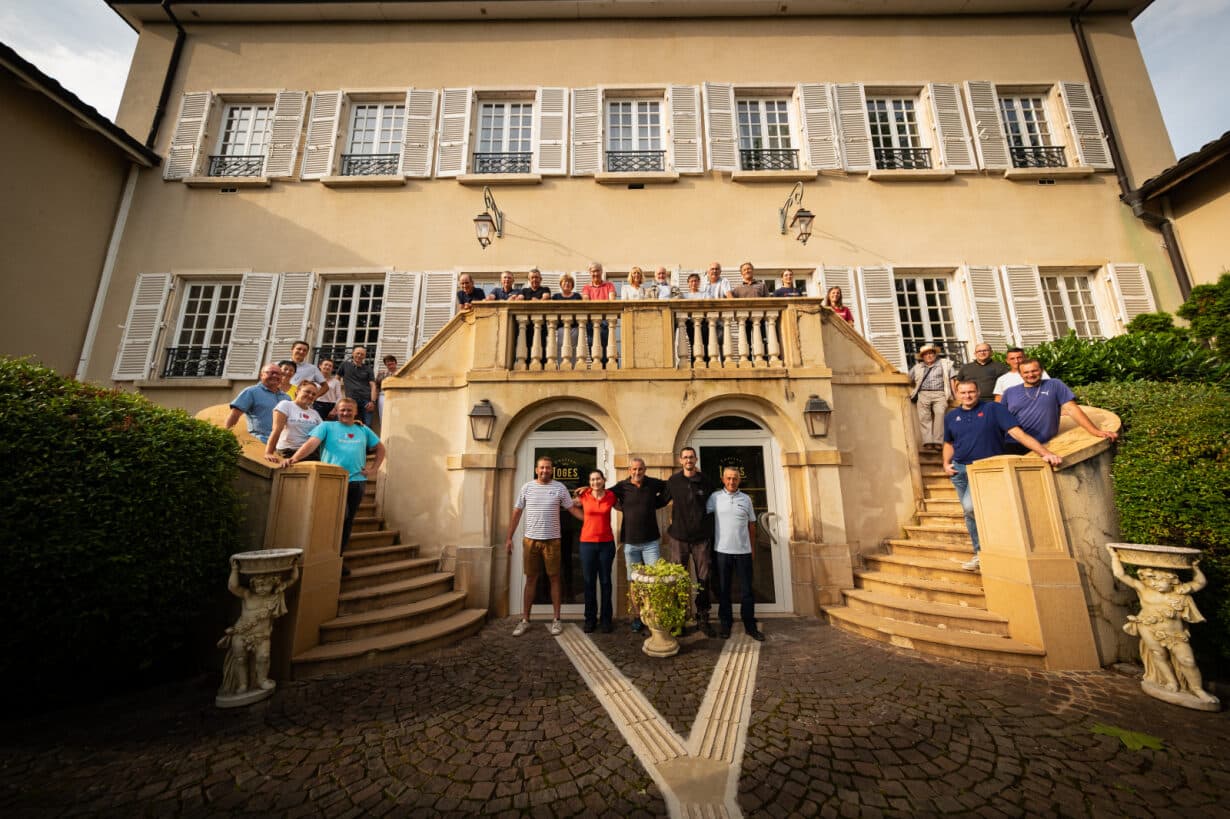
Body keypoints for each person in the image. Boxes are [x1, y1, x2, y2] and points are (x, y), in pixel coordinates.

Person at [943, 380, 1063, 572]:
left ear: (979, 391)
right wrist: (945, 464)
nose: (967, 396)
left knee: (970, 507)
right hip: (959, 470)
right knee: (969, 513)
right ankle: (980, 553)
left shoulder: (993, 409)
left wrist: (1045, 453)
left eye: (971, 392)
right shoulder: (951, 417)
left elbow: (1017, 433)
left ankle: (988, 551)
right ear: (957, 394)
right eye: (963, 393)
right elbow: (949, 443)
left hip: (985, 468)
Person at [282, 397, 386, 565]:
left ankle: (338, 557)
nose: (345, 413)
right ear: (336, 410)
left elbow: (381, 448)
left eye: (349, 410)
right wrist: (294, 459)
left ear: (356, 412)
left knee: (348, 520)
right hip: (332, 480)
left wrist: (374, 469)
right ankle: (327, 556)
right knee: (339, 518)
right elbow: (311, 444)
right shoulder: (326, 426)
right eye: (342, 409)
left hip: (357, 482)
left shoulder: (363, 429)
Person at [1108, 550, 1218, 705]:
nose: (1154, 584)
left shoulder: (1180, 591)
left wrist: (1195, 568)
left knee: (1188, 661)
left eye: (1159, 581)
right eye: (1151, 580)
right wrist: (1114, 557)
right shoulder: (1144, 589)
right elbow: (1121, 575)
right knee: (1158, 654)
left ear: (1171, 579)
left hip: (1175, 633)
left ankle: (1198, 690)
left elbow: (1200, 583)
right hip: (1147, 626)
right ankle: (1171, 681)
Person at [505, 456, 584, 637]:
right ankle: (525, 619)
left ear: (552, 470)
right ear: (536, 469)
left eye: (548, 468)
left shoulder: (559, 488)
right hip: (531, 540)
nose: (545, 471)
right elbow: (516, 513)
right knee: (531, 579)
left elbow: (572, 509)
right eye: (541, 468)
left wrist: (593, 520)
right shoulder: (527, 488)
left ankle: (557, 619)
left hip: (553, 541)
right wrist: (509, 538)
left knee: (555, 578)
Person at [217, 558, 300, 699]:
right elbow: (232, 587)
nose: (261, 588)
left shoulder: (275, 595)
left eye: (265, 585)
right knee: (240, 659)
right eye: (259, 585)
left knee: (263, 657)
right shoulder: (248, 595)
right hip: (241, 633)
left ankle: (262, 680)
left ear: (273, 583)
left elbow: (293, 579)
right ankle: (242, 684)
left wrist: (295, 565)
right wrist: (235, 569)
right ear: (253, 585)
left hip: (262, 635)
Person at [611, 458, 671, 633]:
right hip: (630, 543)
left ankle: (653, 614)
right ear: (629, 470)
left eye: (641, 469)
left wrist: (657, 503)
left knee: (654, 580)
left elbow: (670, 487)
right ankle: (638, 617)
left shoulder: (652, 483)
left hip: (651, 542)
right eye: (634, 469)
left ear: (645, 469)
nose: (637, 472)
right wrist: (587, 491)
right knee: (634, 581)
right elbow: (604, 494)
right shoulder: (622, 486)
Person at [1000, 359, 1118, 447]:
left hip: (1043, 442)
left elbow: (1072, 409)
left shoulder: (1054, 384)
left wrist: (1095, 431)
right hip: (1012, 442)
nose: (1030, 375)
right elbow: (1001, 419)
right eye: (1026, 372)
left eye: (1034, 370)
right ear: (1020, 374)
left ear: (1041, 370)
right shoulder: (1010, 392)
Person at [666, 446, 718, 637]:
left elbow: (716, 503)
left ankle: (703, 617)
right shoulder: (673, 481)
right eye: (685, 457)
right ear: (680, 461)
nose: (688, 460)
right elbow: (659, 500)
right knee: (678, 580)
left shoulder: (706, 481)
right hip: (678, 537)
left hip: (701, 539)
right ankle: (678, 618)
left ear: (696, 460)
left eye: (691, 457)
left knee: (703, 579)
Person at [707, 466, 763, 641]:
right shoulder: (714, 498)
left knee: (747, 591)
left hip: (743, 553)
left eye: (735, 478)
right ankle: (726, 624)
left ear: (739, 480)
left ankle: (750, 625)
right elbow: (703, 518)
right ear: (723, 479)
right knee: (724, 591)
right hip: (721, 552)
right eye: (729, 478)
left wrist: (752, 550)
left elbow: (752, 526)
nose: (732, 481)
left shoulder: (746, 499)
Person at [574, 469, 618, 634]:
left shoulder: (611, 496)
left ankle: (606, 620)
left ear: (604, 480)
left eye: (598, 479)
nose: (595, 482)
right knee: (589, 583)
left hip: (606, 544)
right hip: (587, 544)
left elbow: (623, 504)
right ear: (589, 482)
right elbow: (570, 505)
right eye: (592, 480)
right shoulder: (584, 495)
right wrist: (584, 519)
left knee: (606, 582)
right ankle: (590, 620)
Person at [225, 362, 290, 443]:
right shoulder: (251, 392)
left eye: (278, 374)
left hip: (282, 444)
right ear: (261, 375)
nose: (275, 376)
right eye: (271, 373)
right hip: (259, 442)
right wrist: (226, 436)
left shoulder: (286, 397)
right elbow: (234, 415)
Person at [909, 344, 956, 451]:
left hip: (940, 394)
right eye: (926, 354)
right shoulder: (917, 367)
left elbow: (952, 380)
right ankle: (928, 441)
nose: (929, 356)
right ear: (922, 357)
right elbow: (909, 379)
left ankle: (938, 441)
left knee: (940, 415)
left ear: (935, 354)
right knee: (924, 418)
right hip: (923, 394)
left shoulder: (945, 364)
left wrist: (954, 394)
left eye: (931, 353)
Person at [264, 381, 322, 462]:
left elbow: (323, 433)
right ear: (297, 391)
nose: (310, 395)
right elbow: (276, 430)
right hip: (288, 451)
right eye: (307, 392)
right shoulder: (286, 405)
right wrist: (269, 453)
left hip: (309, 453)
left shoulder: (314, 413)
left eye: (313, 394)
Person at [581, 262, 616, 360]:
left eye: (597, 271)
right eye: (593, 271)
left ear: (601, 272)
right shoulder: (586, 288)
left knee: (606, 346)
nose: (595, 273)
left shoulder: (609, 285)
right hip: (591, 321)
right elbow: (586, 303)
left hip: (605, 320)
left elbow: (612, 301)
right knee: (593, 347)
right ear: (590, 272)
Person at [338, 346, 377, 426]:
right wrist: (338, 397)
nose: (359, 355)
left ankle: (365, 438)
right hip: (351, 400)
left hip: (366, 401)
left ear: (364, 356)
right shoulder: (345, 365)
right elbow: (336, 380)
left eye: (362, 354)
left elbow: (373, 386)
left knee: (367, 425)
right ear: (353, 354)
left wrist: (373, 402)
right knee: (349, 423)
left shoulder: (368, 369)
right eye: (357, 353)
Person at [376, 354, 397, 425]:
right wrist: (374, 399)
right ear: (385, 364)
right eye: (388, 363)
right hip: (383, 395)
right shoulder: (381, 374)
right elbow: (377, 386)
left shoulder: (401, 373)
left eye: (392, 362)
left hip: (397, 396)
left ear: (395, 363)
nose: (390, 364)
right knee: (383, 414)